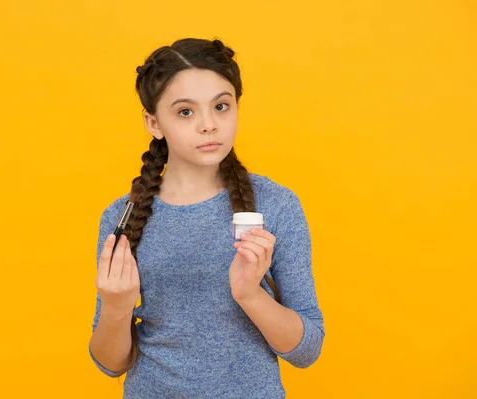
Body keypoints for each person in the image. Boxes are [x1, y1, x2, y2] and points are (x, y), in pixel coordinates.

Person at [88, 37, 325, 398]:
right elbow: (110, 363)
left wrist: (249, 294)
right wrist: (118, 308)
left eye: (221, 106)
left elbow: (307, 350)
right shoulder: (122, 217)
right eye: (185, 111)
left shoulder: (276, 205)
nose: (208, 125)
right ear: (153, 123)